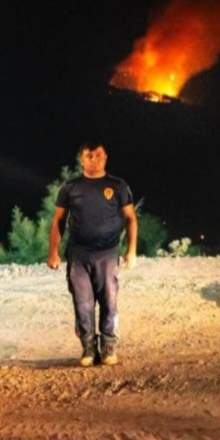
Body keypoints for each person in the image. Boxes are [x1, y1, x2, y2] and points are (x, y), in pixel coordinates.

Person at [47, 142, 137, 367]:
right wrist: (53, 253)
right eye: (89, 156)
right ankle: (88, 346)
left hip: (107, 253)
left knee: (109, 299)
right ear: (81, 160)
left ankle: (108, 345)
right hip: (78, 254)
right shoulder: (70, 187)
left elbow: (131, 218)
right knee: (83, 302)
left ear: (105, 157)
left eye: (98, 155)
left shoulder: (118, 186)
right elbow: (58, 220)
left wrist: (131, 250)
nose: (94, 159)